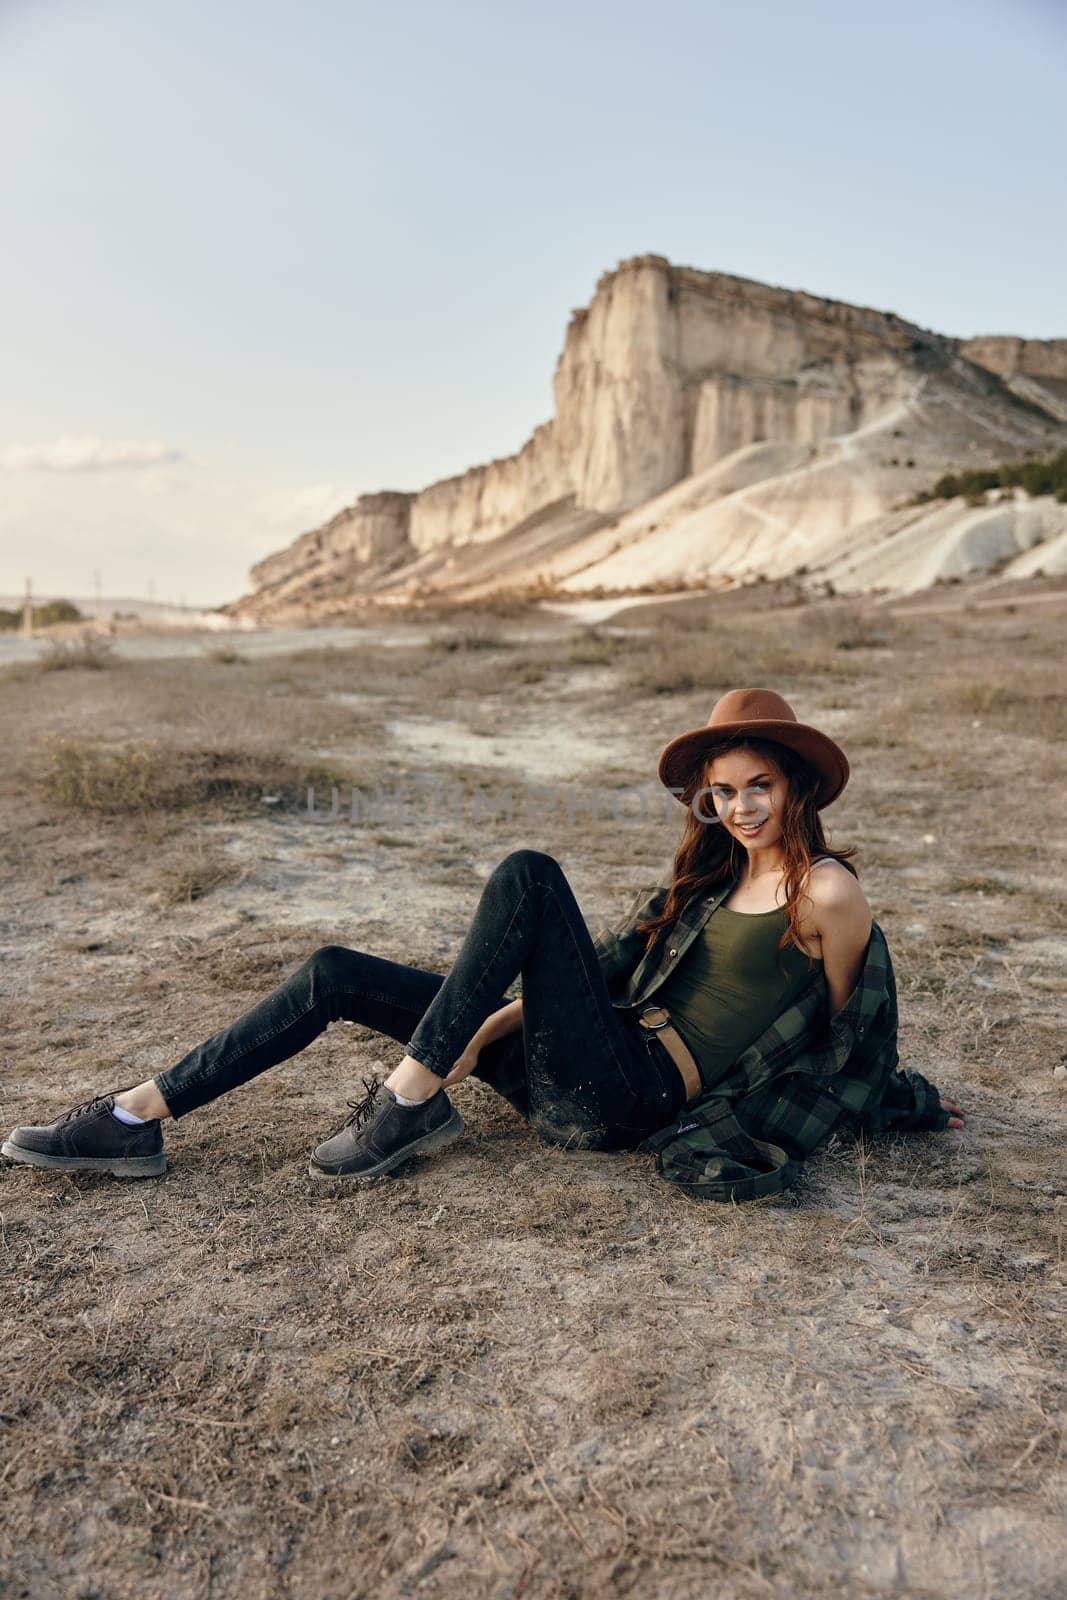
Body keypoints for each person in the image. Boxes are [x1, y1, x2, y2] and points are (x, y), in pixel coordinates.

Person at [2, 688, 964, 1201]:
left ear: (794, 786)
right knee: (336, 971)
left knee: (530, 874)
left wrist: (882, 1100)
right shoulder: (708, 878)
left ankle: (407, 1104)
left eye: (758, 786)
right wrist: (469, 1038)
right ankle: (134, 1118)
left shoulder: (825, 891)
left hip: (631, 1096)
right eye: (721, 792)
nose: (739, 808)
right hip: (580, 1060)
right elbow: (592, 982)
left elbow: (848, 1030)